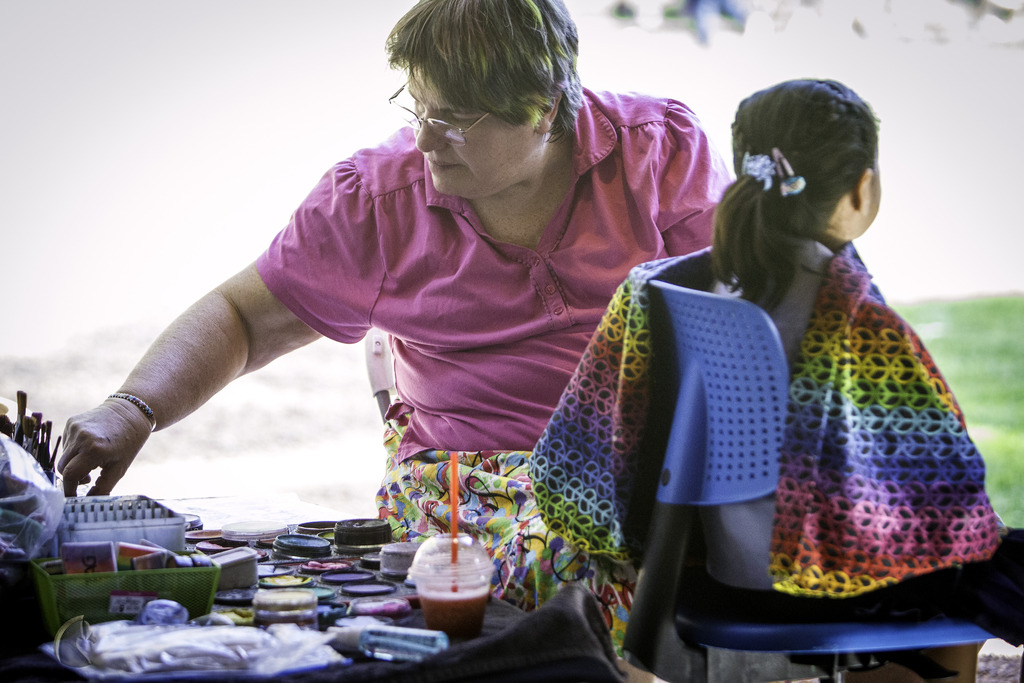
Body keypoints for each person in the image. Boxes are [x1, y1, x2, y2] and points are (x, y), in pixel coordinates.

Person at [57, 0, 731, 652]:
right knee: (583, 558)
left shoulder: (661, 156)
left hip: (635, 469)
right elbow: (244, 317)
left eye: (456, 119)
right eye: (417, 107)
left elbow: (737, 318)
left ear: (544, 110)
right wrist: (134, 407)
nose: (427, 138)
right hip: (465, 478)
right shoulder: (376, 200)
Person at [531, 78, 1024, 679]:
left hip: (712, 571)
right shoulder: (857, 321)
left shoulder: (672, 287)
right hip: (827, 579)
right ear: (862, 188)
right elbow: (949, 509)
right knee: (997, 570)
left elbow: (570, 456)